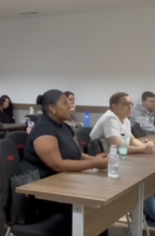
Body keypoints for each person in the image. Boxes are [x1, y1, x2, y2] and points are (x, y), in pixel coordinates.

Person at [91, 92, 155, 234]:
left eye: (131, 104)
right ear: (114, 106)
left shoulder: (125, 119)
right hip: (102, 167)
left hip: (118, 161)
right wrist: (143, 149)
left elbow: (132, 140)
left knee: (151, 178)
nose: (130, 107)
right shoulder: (110, 119)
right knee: (142, 182)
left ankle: (150, 216)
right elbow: (119, 146)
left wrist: (147, 146)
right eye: (126, 104)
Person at [22, 90, 109, 235]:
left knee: (98, 208)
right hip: (45, 192)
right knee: (90, 209)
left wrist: (96, 159)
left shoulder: (65, 127)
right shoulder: (43, 129)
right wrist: (94, 164)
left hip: (65, 183)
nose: (70, 106)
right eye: (65, 103)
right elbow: (58, 165)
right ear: (52, 108)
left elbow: (77, 154)